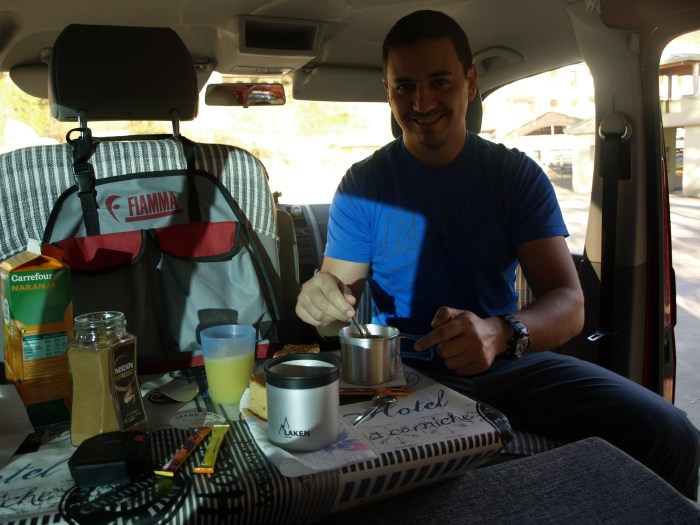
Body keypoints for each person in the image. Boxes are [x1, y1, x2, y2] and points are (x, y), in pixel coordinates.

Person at [295, 9, 700, 499]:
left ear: (470, 83)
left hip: (506, 362)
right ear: (387, 90)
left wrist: (500, 333)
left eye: (440, 81)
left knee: (671, 435)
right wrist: (320, 305)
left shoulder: (514, 176)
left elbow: (569, 303)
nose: (422, 102)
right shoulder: (364, 185)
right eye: (404, 86)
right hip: (398, 372)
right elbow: (336, 306)